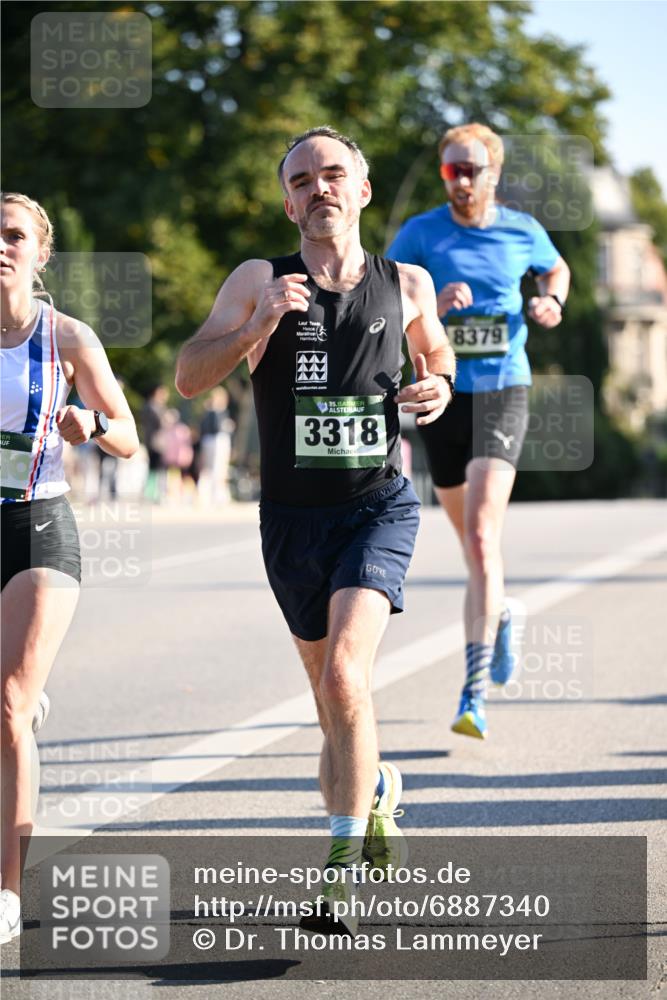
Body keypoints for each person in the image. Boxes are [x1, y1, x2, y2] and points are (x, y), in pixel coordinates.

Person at [176, 126, 455, 934]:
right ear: (288, 199)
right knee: (335, 702)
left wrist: (435, 387)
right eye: (301, 180)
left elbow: (435, 357)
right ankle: (374, 794)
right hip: (290, 521)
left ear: (362, 191)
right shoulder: (261, 278)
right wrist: (256, 324)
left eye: (333, 174)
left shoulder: (405, 281)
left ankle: (336, 880)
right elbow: (191, 375)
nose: (318, 189)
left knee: (342, 678)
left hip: (377, 506)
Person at [388, 123, 571, 740]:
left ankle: (472, 694)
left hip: (502, 389)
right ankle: (502, 613)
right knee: (471, 541)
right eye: (451, 171)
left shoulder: (522, 230)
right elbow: (387, 307)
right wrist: (433, 308)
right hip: (443, 393)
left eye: (472, 170)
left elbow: (556, 270)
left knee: (485, 537)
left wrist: (552, 302)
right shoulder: (420, 233)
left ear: (493, 173)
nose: (462, 181)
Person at [0, 192, 139, 943]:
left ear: (40, 253)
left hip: (38, 526)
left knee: (8, 708)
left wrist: (93, 425)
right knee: (9, 700)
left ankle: (6, 893)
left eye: (14, 234)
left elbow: (129, 437)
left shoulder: (66, 337)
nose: (1, 245)